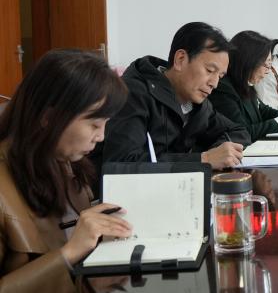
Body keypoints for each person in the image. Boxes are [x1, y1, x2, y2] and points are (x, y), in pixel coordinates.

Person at [0, 50, 133, 291]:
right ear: (49, 117)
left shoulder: (65, 161)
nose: (101, 136)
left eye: (106, 124)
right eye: (94, 124)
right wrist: (70, 253)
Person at [98, 22, 247, 169]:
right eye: (209, 70)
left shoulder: (199, 105)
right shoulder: (134, 93)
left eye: (220, 76)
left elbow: (238, 131)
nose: (214, 83)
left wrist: (219, 153)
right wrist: (204, 159)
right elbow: (120, 164)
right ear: (180, 59)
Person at [210, 31, 278, 141]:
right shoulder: (223, 88)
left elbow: (263, 111)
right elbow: (242, 133)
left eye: (270, 64)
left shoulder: (245, 83)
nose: (268, 71)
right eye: (266, 65)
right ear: (248, 62)